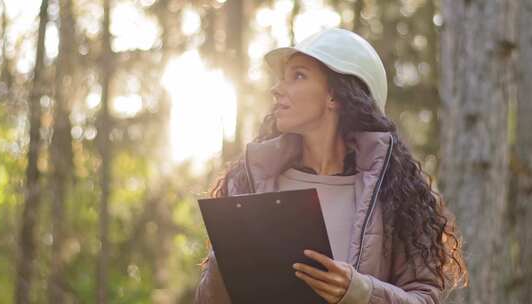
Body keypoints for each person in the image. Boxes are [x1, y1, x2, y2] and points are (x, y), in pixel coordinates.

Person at [194, 28, 467, 304]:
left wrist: (361, 292)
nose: (276, 89)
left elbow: (425, 298)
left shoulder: (395, 195)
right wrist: (225, 260)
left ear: (335, 96)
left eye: (298, 76)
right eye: (282, 78)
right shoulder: (249, 181)